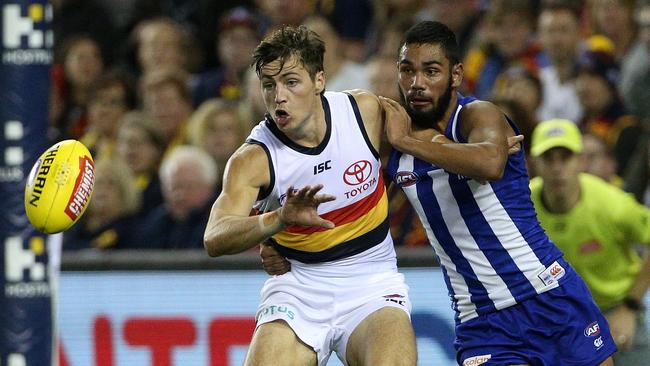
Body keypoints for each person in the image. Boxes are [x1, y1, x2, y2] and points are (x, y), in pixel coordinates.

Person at [264, 21, 617, 365]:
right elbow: (339, 193)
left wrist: (408, 141)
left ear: (456, 75)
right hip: (482, 320)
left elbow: (490, 162)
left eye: (431, 71)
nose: (417, 83)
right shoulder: (389, 143)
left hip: (548, 293)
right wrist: (277, 240)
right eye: (407, 71)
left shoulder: (478, 116)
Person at [202, 25, 417, 365]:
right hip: (298, 287)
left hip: (371, 281)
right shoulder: (254, 158)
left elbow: (419, 139)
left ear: (319, 80)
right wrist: (277, 220)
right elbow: (214, 237)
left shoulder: (364, 112)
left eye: (291, 81)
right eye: (269, 85)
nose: (278, 96)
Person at [529, 118, 650, 365]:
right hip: (554, 315)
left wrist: (629, 307)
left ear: (581, 162)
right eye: (548, 159)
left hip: (614, 307)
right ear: (534, 164)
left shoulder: (612, 205)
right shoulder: (521, 206)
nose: (557, 168)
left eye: (565, 157)